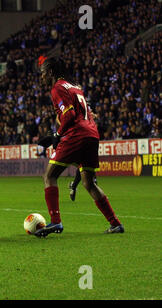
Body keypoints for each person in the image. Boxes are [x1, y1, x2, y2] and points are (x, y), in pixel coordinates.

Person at [36, 57, 124, 237]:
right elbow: (87, 113)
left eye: (43, 74)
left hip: (76, 135)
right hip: (92, 135)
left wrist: (57, 135)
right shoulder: (75, 87)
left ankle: (56, 222)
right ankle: (115, 223)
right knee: (88, 182)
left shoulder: (57, 88)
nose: (42, 78)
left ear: (51, 72)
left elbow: (69, 116)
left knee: (49, 176)